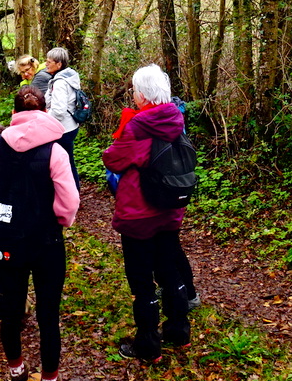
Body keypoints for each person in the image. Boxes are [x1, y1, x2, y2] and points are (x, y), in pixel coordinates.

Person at [0, 86, 79, 381]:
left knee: (10, 312)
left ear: (14, 113)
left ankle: (17, 369)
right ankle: (49, 376)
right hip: (46, 242)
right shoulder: (56, 152)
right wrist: (61, 220)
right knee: (48, 314)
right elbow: (69, 203)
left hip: (5, 240)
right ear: (45, 113)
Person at [102, 64, 192, 363]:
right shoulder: (175, 119)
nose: (133, 95)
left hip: (139, 214)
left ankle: (148, 346)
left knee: (142, 283)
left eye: (135, 90)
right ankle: (179, 332)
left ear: (142, 94)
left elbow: (113, 159)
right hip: (170, 207)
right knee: (169, 272)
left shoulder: (139, 126)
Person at [44, 47, 81, 188]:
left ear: (59, 64)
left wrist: (44, 119)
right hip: (71, 126)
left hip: (63, 130)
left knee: (65, 164)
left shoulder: (60, 82)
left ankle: (71, 193)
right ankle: (73, 191)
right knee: (68, 162)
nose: (46, 64)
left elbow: (58, 111)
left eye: (49, 62)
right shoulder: (70, 76)